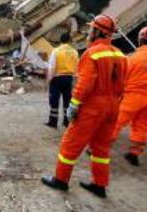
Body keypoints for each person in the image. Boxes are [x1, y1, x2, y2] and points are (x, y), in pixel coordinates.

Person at [41, 14, 127, 198]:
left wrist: (74, 104)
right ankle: (99, 184)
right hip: (113, 106)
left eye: (91, 29)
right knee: (101, 148)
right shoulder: (120, 55)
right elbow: (122, 85)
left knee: (70, 144)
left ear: (98, 32)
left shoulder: (92, 53)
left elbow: (85, 84)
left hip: (93, 106)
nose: (88, 33)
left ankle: (61, 180)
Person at [111, 27, 147, 166]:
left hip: (134, 95)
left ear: (141, 39)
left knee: (117, 121)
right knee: (141, 126)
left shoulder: (134, 58)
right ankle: (134, 154)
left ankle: (99, 148)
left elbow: (122, 78)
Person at [46, 32, 79, 129]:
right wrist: (75, 79)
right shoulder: (74, 52)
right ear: (70, 40)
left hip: (57, 78)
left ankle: (53, 121)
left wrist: (49, 79)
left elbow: (52, 67)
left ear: (60, 40)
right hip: (69, 78)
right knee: (67, 100)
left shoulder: (56, 51)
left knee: (54, 100)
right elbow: (77, 67)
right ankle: (67, 121)